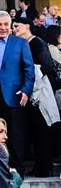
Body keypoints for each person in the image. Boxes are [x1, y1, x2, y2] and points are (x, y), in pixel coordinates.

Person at [0, 11, 34, 176]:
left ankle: (18, 169)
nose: (3, 28)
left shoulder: (20, 43)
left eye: (6, 24)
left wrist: (26, 90)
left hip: (13, 93)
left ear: (11, 25)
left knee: (15, 132)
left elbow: (29, 69)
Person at [12, 16, 60, 176]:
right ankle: (41, 165)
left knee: (42, 129)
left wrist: (30, 76)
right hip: (30, 92)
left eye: (17, 26)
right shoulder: (23, 43)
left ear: (27, 26)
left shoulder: (36, 42)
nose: (14, 29)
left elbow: (47, 66)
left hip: (39, 93)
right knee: (35, 130)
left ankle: (44, 166)